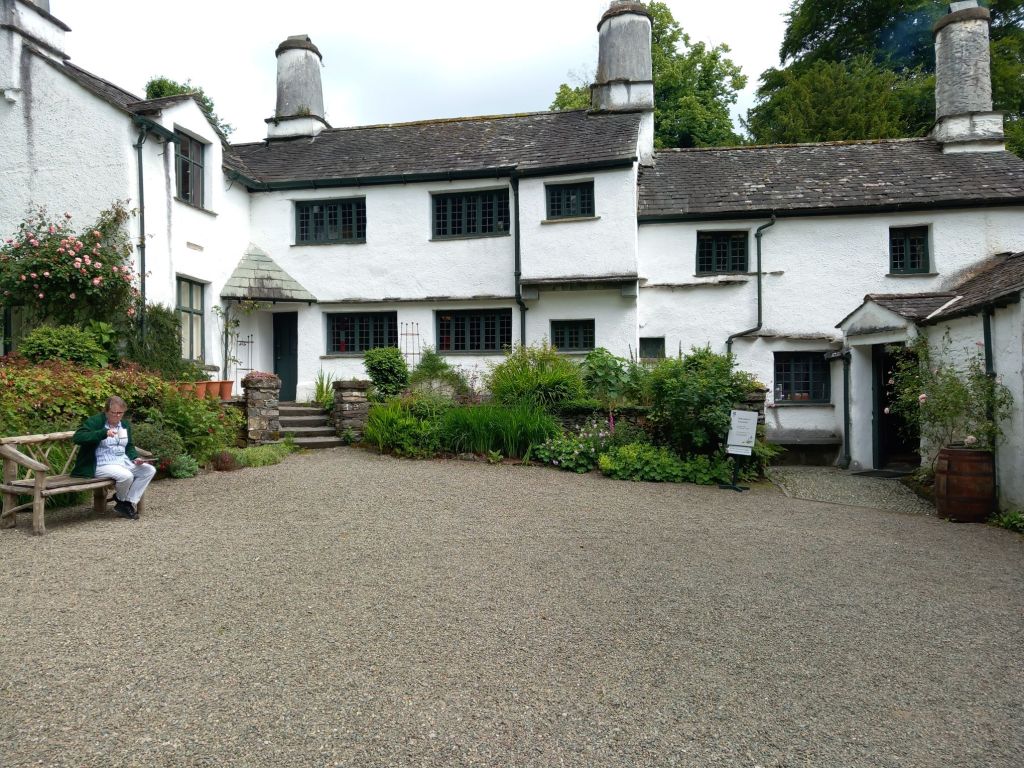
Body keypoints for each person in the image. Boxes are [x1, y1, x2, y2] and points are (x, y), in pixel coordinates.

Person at [71, 396, 156, 520]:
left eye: (120, 413)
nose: (117, 416)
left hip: (122, 461)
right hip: (99, 464)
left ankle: (126, 502)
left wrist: (135, 458)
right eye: (114, 413)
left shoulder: (124, 425)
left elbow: (129, 446)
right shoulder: (96, 422)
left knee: (148, 470)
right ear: (106, 411)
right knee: (126, 476)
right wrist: (103, 433)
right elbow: (78, 437)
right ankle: (122, 501)